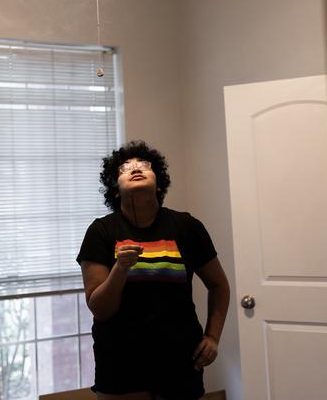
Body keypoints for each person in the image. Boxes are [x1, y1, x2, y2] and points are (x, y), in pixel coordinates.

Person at [77, 140, 231, 400]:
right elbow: (100, 309)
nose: (135, 168)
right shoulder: (101, 232)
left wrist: (213, 337)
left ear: (159, 184)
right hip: (120, 364)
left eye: (144, 165)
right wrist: (120, 269)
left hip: (181, 363)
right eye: (125, 168)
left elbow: (219, 285)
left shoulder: (186, 226)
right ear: (115, 190)